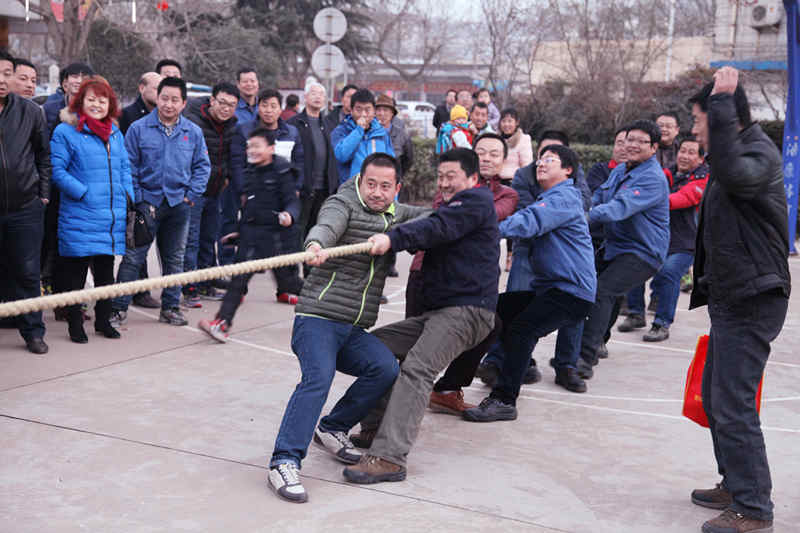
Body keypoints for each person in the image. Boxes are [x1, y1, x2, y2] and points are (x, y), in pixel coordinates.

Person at [266, 153, 430, 503]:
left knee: (384, 368)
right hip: (317, 319)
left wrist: (399, 236)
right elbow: (328, 225)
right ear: (359, 181)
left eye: (385, 186)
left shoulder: (396, 215)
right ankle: (284, 461)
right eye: (370, 184)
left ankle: (333, 427)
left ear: (397, 189)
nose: (377, 192)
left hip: (352, 328)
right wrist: (316, 245)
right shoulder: (342, 203)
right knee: (318, 379)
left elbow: (433, 218)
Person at [342, 148, 497, 485]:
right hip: (441, 313)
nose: (444, 183)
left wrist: (392, 238)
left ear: (473, 178)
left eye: (451, 177)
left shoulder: (476, 202)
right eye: (440, 177)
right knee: (376, 349)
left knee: (418, 368)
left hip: (468, 311)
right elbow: (429, 228)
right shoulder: (451, 210)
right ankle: (374, 429)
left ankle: (388, 457)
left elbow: (436, 227)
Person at [686, 67, 789, 533]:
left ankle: (753, 508)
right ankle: (735, 483)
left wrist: (721, 103)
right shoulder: (737, 151)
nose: (693, 131)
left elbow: (736, 176)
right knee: (716, 397)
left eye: (698, 120)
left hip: (753, 296)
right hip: (732, 295)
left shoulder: (756, 153)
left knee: (734, 404)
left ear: (723, 116)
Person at [463, 143, 596, 422]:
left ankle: (504, 400)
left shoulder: (564, 198)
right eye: (539, 159)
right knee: (496, 310)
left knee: (523, 329)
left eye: (550, 160)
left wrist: (482, 229)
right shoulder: (550, 197)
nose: (541, 164)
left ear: (568, 170)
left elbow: (528, 221)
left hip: (571, 292)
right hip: (551, 289)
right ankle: (494, 370)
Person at [421, 133, 517, 414]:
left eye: (494, 154)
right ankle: (387, 407)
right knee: (415, 345)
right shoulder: (451, 182)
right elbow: (439, 221)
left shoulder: (508, 194)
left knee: (490, 325)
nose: (487, 158)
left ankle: (447, 389)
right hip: (432, 271)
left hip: (471, 282)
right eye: (481, 152)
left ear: (503, 161)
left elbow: (486, 217)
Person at [110, 77, 211, 328]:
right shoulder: (138, 129)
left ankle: (170, 307)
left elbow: (202, 167)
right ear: (157, 98)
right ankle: (118, 309)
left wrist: (191, 195)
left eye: (175, 100)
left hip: (179, 205)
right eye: (164, 98)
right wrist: (139, 198)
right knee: (133, 258)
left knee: (175, 260)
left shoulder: (193, 132)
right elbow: (128, 166)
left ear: (183, 103)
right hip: (146, 205)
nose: (168, 104)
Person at [575, 120, 670, 379]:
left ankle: (584, 358)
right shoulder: (620, 170)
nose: (633, 145)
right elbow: (599, 198)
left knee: (603, 291)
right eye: (630, 139)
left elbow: (617, 209)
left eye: (641, 141)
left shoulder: (652, 178)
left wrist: (582, 218)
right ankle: (596, 342)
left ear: (654, 148)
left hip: (643, 251)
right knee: (599, 291)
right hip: (616, 246)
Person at [49, 76, 134, 343]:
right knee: (75, 275)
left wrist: (127, 195)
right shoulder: (65, 131)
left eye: (102, 100)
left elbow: (125, 168)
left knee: (106, 275)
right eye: (91, 99)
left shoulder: (115, 133)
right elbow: (57, 170)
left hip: (110, 216)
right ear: (80, 102)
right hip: (80, 214)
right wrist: (83, 193)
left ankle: (103, 321)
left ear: (110, 104)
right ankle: (75, 324)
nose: (97, 105)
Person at [198, 128, 299, 341]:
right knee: (238, 282)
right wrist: (238, 233)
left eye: (257, 146)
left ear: (271, 148)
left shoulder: (282, 171)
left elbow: (292, 200)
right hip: (252, 239)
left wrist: (289, 215)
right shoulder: (250, 172)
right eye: (249, 147)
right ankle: (222, 324)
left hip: (277, 240)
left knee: (289, 283)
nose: (252, 151)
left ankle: (326, 307)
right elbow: (249, 209)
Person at [617, 137, 708, 341]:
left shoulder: (703, 181)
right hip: (656, 239)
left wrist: (646, 199)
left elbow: (681, 199)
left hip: (685, 243)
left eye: (691, 152)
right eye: (682, 151)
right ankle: (635, 313)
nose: (684, 156)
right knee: (633, 266)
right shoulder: (665, 174)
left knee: (668, 273)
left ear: (700, 159)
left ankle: (661, 323)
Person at [230, 88, 304, 303]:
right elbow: (237, 164)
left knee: (286, 247)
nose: (269, 110)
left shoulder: (291, 132)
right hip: (255, 197)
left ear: (280, 109)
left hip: (283, 198)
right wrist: (245, 191)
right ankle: (238, 291)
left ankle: (285, 290)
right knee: (247, 247)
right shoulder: (245, 130)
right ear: (258, 107)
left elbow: (299, 162)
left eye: (273, 106)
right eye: (264, 105)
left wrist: (295, 189)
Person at [0, 50, 51, 354]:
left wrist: (42, 195)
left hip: (25, 208)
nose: (1, 80)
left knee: (28, 272)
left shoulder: (30, 112)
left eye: (7, 73)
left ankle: (33, 331)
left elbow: (43, 156)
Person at [181, 82, 240, 305]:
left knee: (208, 240)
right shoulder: (193, 119)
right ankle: (189, 288)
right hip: (194, 193)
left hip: (216, 191)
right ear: (212, 100)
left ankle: (206, 284)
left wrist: (227, 178)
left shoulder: (233, 125)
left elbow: (231, 157)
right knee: (191, 241)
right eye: (222, 102)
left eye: (231, 105)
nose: (226, 108)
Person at [288, 83, 339, 260]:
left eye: (321, 94)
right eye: (314, 93)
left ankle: (310, 270)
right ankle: (291, 271)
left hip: (323, 189)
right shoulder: (294, 124)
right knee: (297, 232)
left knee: (315, 233)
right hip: (302, 189)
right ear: (305, 97)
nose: (318, 97)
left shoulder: (328, 124)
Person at [331, 89, 394, 183]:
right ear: (351, 111)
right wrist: (359, 130)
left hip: (377, 187)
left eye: (367, 110)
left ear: (374, 111)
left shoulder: (382, 133)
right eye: (359, 110)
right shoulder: (341, 130)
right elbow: (342, 155)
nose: (363, 114)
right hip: (352, 188)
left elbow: (391, 163)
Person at [498, 107, 533, 271]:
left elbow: (527, 164)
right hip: (497, 183)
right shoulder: (496, 139)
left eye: (510, 121)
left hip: (514, 184)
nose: (507, 124)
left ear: (516, 122)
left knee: (512, 221)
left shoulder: (523, 140)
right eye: (504, 121)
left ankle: (510, 255)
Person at [43, 62, 94, 133]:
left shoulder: (96, 109)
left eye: (84, 78)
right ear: (65, 84)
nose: (79, 81)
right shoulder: (49, 109)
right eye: (75, 76)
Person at [375, 94, 413, 178]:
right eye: (379, 110)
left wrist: (397, 175)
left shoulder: (402, 135)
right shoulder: (369, 134)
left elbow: (408, 160)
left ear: (392, 113)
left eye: (385, 110)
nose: (382, 113)